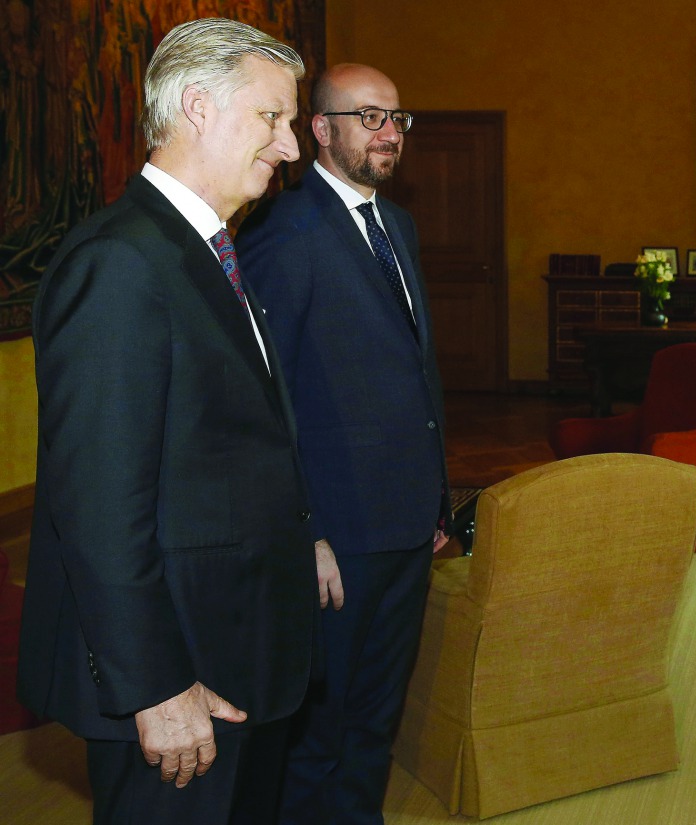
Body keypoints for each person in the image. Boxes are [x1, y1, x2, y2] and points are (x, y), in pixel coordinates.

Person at [17, 18, 316, 825]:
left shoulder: (204, 246)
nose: (290, 147)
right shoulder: (120, 262)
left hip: (239, 641)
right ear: (198, 107)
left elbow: (230, 443)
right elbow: (98, 507)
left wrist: (302, 536)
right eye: (273, 118)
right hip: (184, 667)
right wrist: (154, 684)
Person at [236, 62, 452, 825]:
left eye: (397, 118)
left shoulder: (397, 225)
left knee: (374, 719)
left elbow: (413, 377)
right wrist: (307, 530)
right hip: (335, 535)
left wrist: (437, 501)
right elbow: (267, 397)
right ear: (320, 130)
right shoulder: (283, 231)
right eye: (368, 117)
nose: (389, 133)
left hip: (403, 524)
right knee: (317, 735)